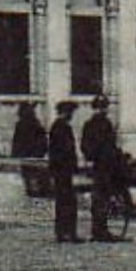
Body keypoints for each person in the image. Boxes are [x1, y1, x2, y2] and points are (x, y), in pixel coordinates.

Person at [80, 95, 126, 243]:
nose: (103, 109)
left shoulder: (90, 124)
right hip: (104, 165)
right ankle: (101, 230)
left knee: (99, 197)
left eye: (104, 107)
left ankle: (98, 229)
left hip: (98, 165)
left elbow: (85, 145)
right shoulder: (104, 124)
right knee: (102, 197)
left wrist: (91, 156)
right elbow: (108, 145)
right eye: (101, 107)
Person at [48, 100, 82, 244]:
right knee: (67, 202)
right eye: (70, 112)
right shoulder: (61, 127)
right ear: (65, 112)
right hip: (63, 170)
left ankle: (63, 233)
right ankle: (68, 233)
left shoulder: (58, 126)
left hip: (61, 170)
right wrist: (71, 165)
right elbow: (64, 150)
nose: (71, 115)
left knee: (63, 202)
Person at [11, 101, 49, 198]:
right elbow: (42, 139)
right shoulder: (35, 123)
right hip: (33, 153)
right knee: (32, 172)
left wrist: (15, 153)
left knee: (29, 173)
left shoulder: (23, 124)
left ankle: (33, 190)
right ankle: (35, 189)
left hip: (28, 153)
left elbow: (17, 140)